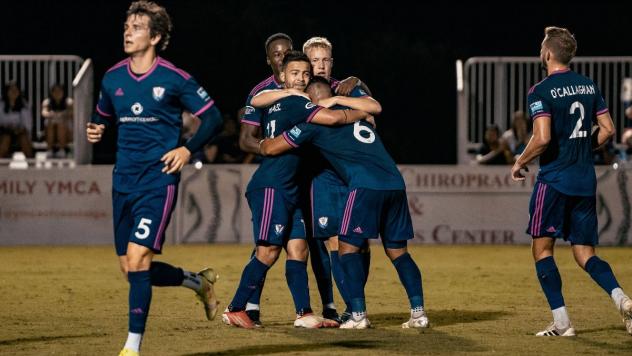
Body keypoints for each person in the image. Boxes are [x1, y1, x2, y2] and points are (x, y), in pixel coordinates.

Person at [85, 2, 223, 355]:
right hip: (122, 182)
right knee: (131, 270)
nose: (127, 32)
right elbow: (102, 116)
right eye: (126, 25)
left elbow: (213, 119)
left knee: (138, 260)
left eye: (137, 27)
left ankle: (132, 347)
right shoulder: (113, 76)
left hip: (158, 181)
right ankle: (198, 282)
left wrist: (187, 150)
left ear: (156, 37)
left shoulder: (174, 78)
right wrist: (96, 130)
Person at [258, 78, 428, 330]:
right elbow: (372, 108)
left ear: (313, 102)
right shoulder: (358, 117)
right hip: (395, 183)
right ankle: (419, 314)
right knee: (398, 252)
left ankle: (357, 314)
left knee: (346, 250)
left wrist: (263, 143)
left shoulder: (313, 124)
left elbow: (273, 148)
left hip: (364, 186)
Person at [222, 52, 372, 329]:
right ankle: (236, 307)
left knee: (299, 249)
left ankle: (304, 313)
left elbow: (257, 100)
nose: (301, 78)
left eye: (305, 73)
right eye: (295, 73)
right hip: (273, 186)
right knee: (267, 252)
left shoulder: (280, 99)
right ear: (281, 77)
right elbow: (333, 119)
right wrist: (363, 111)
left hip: (291, 188)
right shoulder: (295, 102)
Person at [511, 26, 632, 337]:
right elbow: (608, 130)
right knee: (585, 253)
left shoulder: (540, 90)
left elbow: (542, 138)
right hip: (584, 181)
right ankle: (622, 299)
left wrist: (520, 161)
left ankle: (562, 323)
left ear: (548, 53)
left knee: (542, 250)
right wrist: (582, 147)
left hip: (554, 180)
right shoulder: (588, 85)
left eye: (541, 47)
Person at [302, 37, 380, 322]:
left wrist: (357, 87)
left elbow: (372, 112)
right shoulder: (299, 92)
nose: (320, 65)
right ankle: (350, 307)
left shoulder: (346, 87)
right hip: (322, 175)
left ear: (332, 62)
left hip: (353, 175)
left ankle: (355, 300)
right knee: (332, 241)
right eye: (315, 60)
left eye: (325, 60)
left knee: (360, 242)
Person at [0, 81, 34, 158]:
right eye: (11, 90)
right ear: (6, 92)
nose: (14, 92)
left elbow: (28, 125)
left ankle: (32, 166)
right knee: (6, 138)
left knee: (24, 139)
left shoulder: (24, 105)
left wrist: (18, 130)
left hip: (19, 134)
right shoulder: (1, 105)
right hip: (3, 134)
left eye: (16, 90)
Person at [41, 84, 73, 158]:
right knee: (50, 124)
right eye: (55, 91)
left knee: (61, 124)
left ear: (63, 92)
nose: (57, 93)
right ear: (51, 93)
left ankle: (62, 150)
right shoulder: (47, 102)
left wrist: (61, 115)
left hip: (67, 131)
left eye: (59, 91)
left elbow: (72, 113)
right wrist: (52, 115)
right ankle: (49, 150)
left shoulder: (68, 102)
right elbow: (44, 113)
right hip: (51, 129)